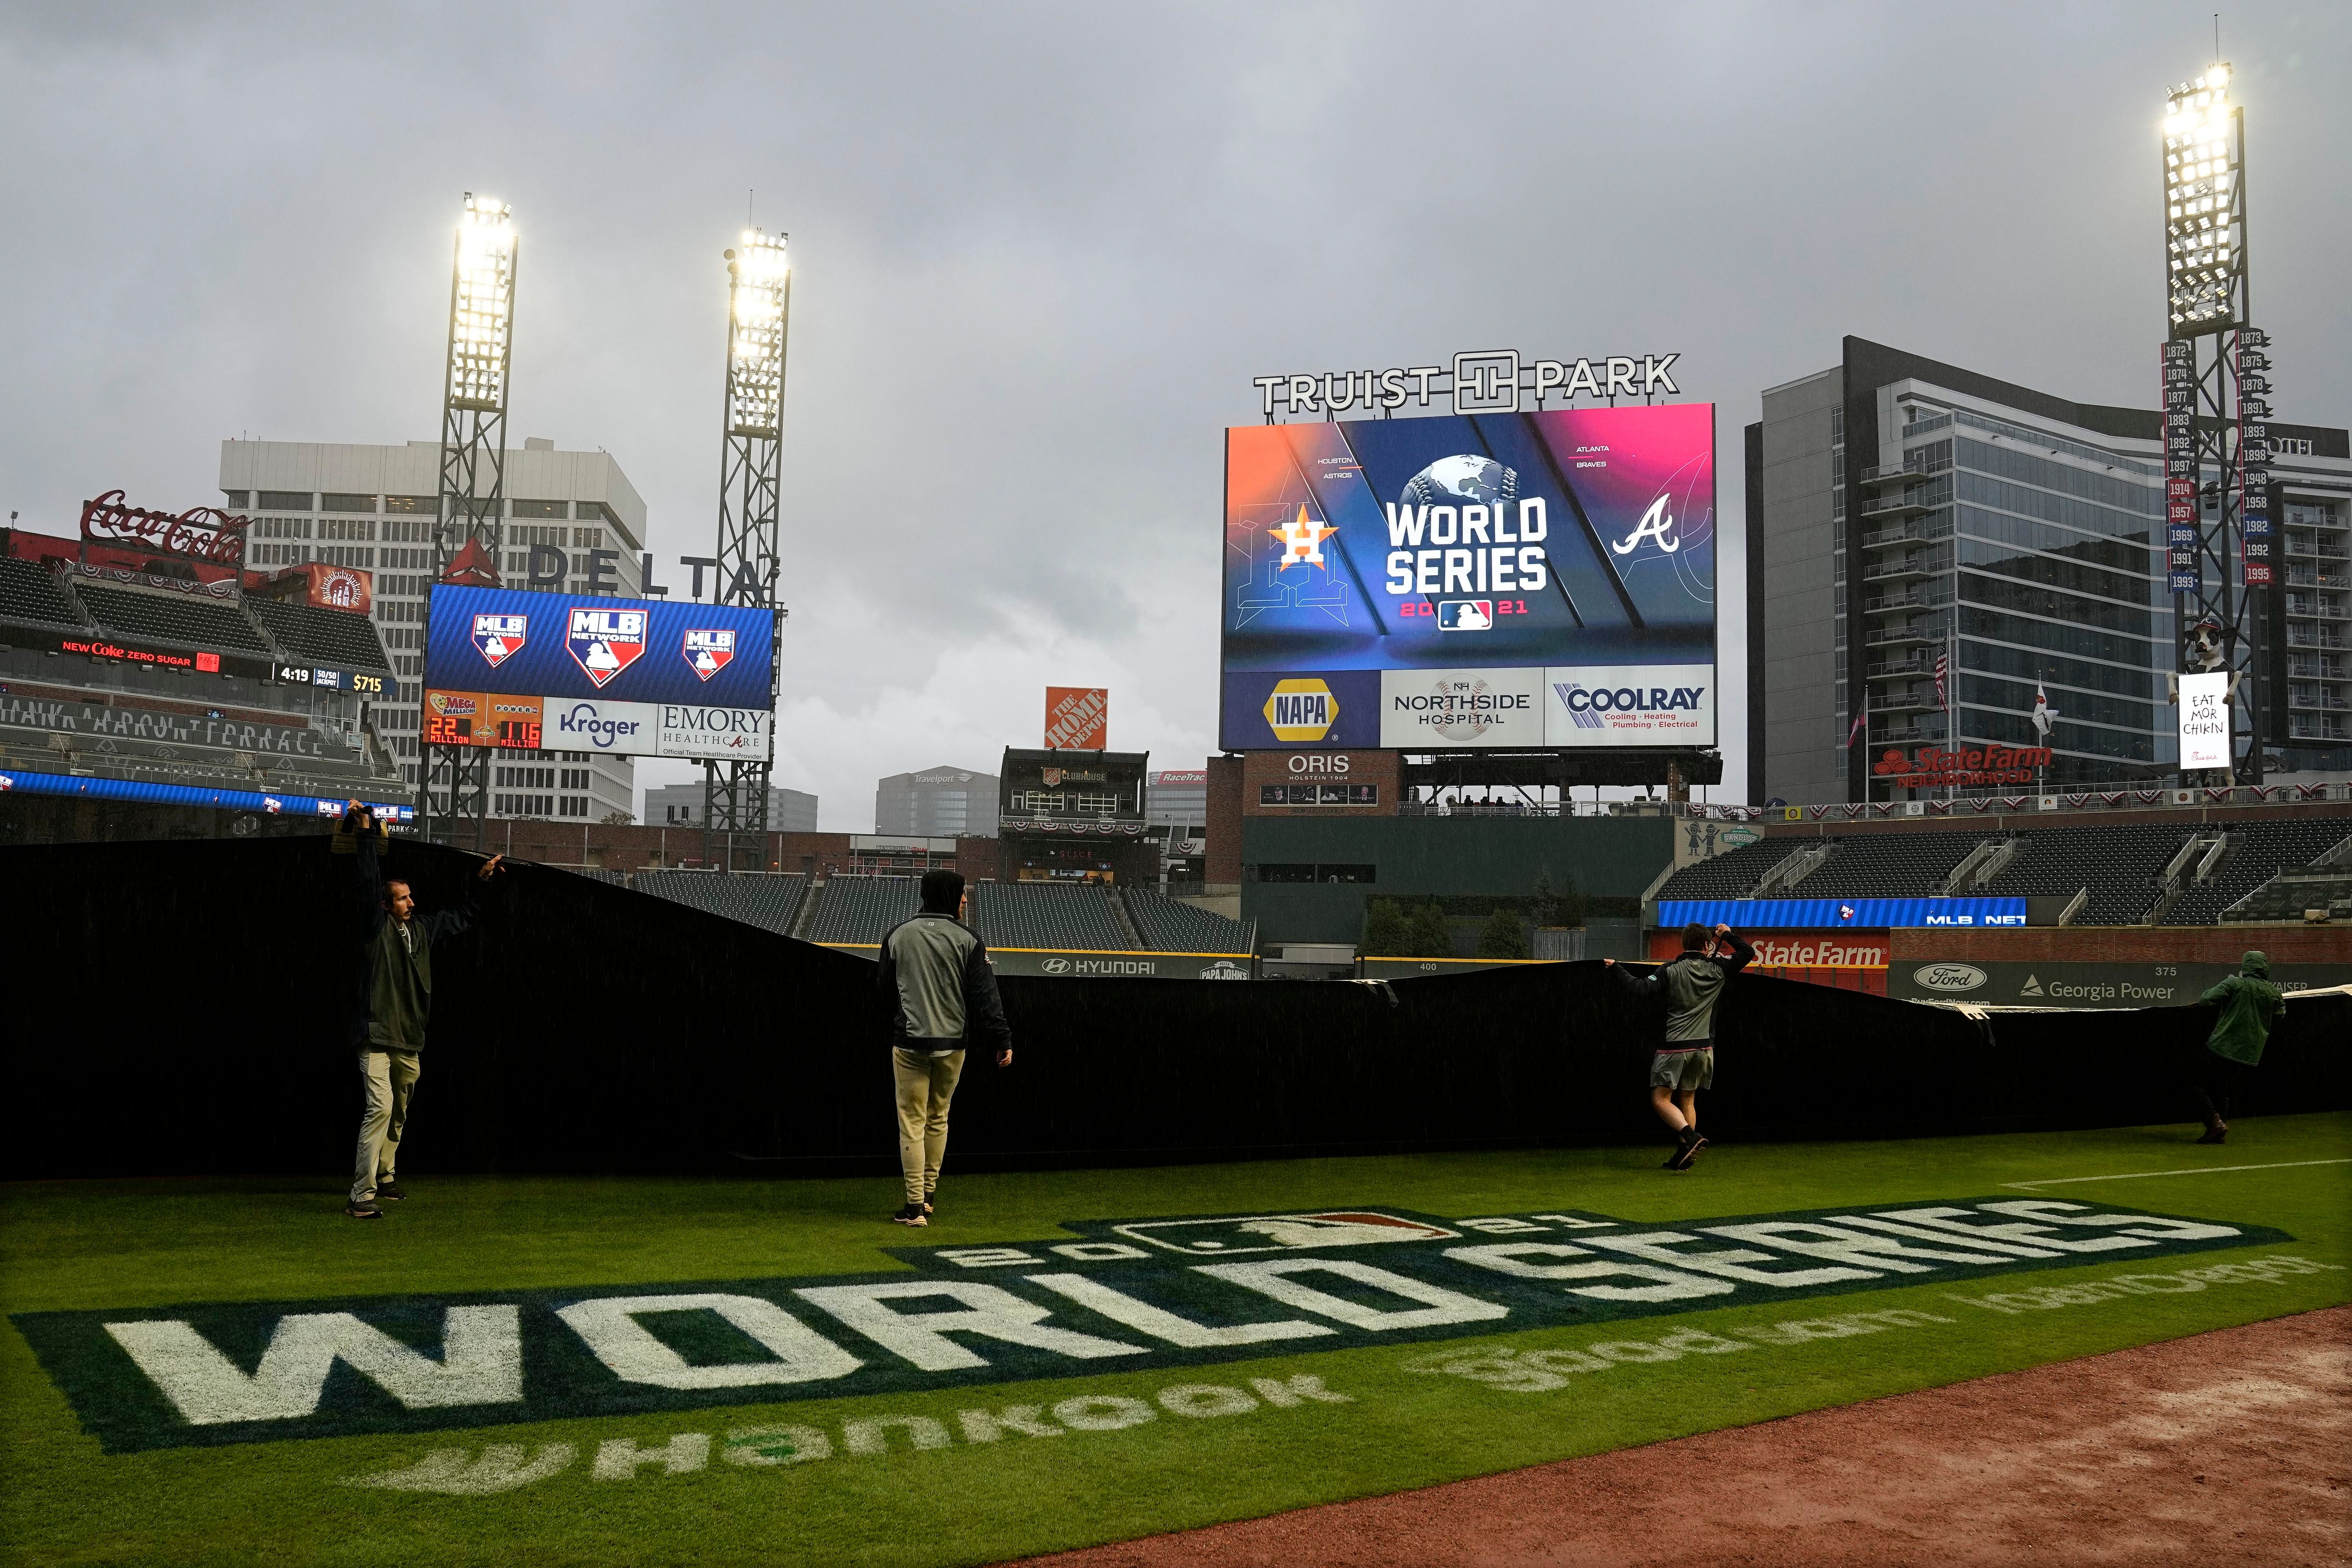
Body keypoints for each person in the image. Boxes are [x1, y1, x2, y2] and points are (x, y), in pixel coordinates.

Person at [335, 801, 502, 1219]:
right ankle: (361, 1195)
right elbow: (367, 880)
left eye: (410, 896)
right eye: (402, 898)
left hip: (409, 1038)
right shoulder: (375, 929)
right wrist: (366, 832)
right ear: (386, 905)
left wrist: (481, 881)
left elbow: (463, 916)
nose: (410, 902)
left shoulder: (424, 929)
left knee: (400, 1111)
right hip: (374, 1034)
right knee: (381, 1107)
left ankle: (386, 1174)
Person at [875, 869, 1013, 1226]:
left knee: (912, 1123)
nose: (966, 899)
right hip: (953, 1043)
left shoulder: (897, 935)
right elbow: (986, 996)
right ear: (948, 894)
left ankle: (914, 1207)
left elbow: (885, 992)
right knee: (938, 1116)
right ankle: (929, 1197)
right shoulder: (969, 938)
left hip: (909, 1042)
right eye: (962, 893)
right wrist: (1002, 1038)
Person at [1605, 921, 1755, 1170]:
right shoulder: (1720, 968)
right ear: (1707, 946)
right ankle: (1683, 1155)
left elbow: (1641, 989)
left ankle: (1691, 1137)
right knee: (1688, 1101)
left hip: (1675, 1047)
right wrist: (1726, 935)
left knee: (1660, 1099)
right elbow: (1748, 953)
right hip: (1705, 1050)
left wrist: (1616, 969)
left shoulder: (1671, 969)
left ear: (1684, 944)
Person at [2186, 950, 2282, 1145]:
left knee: (2192, 1082)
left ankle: (2215, 1122)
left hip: (2222, 1045)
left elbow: (2206, 1000)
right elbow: (2279, 1015)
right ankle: (2219, 1132)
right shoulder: (2274, 993)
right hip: (2249, 1053)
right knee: (2222, 1090)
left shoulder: (2235, 984)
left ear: (2245, 966)